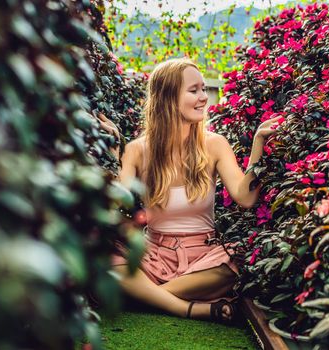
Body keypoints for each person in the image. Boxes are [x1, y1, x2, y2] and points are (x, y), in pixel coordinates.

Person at [98, 58, 280, 323]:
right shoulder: (137, 150)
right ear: (168, 97)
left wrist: (258, 143)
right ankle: (188, 308)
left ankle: (146, 297)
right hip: (153, 256)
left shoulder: (215, 144)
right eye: (194, 90)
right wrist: (115, 152)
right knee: (104, 256)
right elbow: (117, 204)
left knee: (239, 261)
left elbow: (246, 196)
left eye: (204, 89)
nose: (204, 98)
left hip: (203, 258)